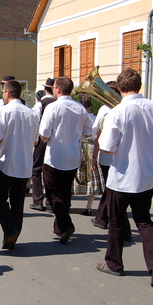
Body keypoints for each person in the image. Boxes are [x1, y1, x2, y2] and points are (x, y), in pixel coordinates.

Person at [95, 68, 153, 287]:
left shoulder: (117, 112)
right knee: (145, 222)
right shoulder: (151, 107)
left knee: (117, 223)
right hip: (147, 176)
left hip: (122, 177)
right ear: (139, 86)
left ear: (119, 88)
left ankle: (114, 263)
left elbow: (108, 148)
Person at [39, 76, 92, 243]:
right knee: (65, 192)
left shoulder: (53, 108)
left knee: (53, 193)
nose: (53, 90)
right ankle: (60, 227)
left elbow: (44, 135)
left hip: (55, 156)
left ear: (58, 89)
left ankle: (66, 224)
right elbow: (89, 132)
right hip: (73, 156)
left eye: (54, 87)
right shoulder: (81, 108)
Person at [0, 80, 39, 250]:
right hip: (25, 163)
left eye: (3, 91)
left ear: (9, 93)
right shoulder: (32, 114)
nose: (3, 94)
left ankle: (9, 228)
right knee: (18, 202)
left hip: (6, 162)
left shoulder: (4, 111)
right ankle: (13, 234)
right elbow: (35, 141)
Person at [90, 81, 132, 242]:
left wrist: (94, 156)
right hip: (119, 159)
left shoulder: (108, 110)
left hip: (110, 158)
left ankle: (123, 230)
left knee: (114, 195)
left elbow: (98, 136)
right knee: (110, 191)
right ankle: (101, 217)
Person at [71, 94, 104, 215]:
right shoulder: (95, 117)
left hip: (80, 146)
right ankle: (89, 206)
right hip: (92, 147)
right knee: (90, 179)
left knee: (75, 176)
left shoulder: (79, 117)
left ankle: (68, 203)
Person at [30, 78, 56, 212]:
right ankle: (51, 203)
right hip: (56, 141)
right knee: (51, 170)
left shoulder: (41, 104)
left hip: (41, 139)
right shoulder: (59, 103)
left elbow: (34, 122)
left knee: (36, 170)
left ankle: (38, 200)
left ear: (45, 89)